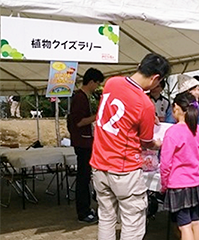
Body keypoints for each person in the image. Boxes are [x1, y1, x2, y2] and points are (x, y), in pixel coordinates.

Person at [90, 53, 170, 240]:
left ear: (139, 64)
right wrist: (157, 144)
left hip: (99, 164)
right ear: (156, 78)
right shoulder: (145, 104)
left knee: (106, 217)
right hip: (124, 168)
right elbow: (146, 142)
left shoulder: (112, 83)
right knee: (132, 222)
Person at [160, 92, 199, 240]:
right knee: (195, 221)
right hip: (195, 182)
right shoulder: (197, 130)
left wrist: (164, 184)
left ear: (176, 108)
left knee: (184, 225)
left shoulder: (172, 132)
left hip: (178, 184)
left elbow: (165, 163)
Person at [68, 67, 104, 223]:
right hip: (82, 142)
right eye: (97, 83)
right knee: (83, 177)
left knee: (85, 176)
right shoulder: (80, 98)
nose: (97, 87)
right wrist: (97, 116)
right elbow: (79, 122)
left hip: (85, 140)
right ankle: (82, 211)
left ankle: (86, 208)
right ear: (91, 82)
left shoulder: (84, 97)